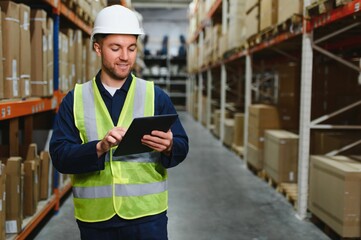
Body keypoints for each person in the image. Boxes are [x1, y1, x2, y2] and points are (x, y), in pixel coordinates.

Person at [49, 5, 189, 240]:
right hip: (96, 221)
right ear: (98, 48)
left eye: (131, 48)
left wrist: (170, 145)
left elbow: (183, 144)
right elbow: (60, 156)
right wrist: (98, 148)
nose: (125, 57)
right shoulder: (75, 99)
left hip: (147, 217)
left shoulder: (155, 96)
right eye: (115, 48)